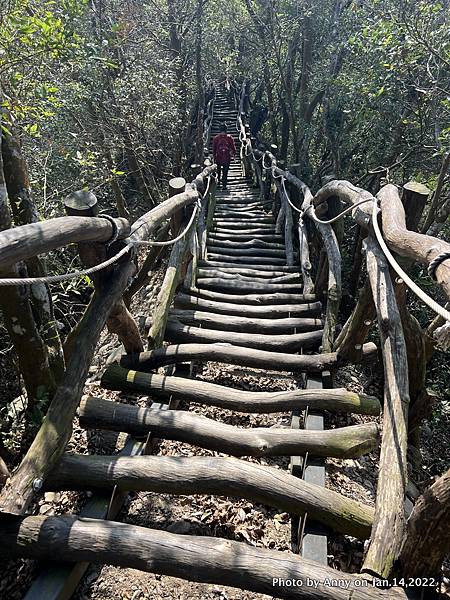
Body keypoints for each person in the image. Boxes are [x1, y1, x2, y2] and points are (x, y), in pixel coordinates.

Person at [212, 123, 236, 190]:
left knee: (218, 171)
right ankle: (224, 185)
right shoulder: (229, 137)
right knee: (225, 172)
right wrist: (233, 154)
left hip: (218, 157)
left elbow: (214, 149)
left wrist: (214, 156)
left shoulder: (216, 138)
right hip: (227, 157)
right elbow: (233, 148)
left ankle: (218, 183)